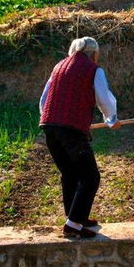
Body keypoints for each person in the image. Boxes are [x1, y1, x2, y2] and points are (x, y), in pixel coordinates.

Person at [39, 37, 121, 238]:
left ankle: (74, 218)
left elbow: (44, 99)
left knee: (70, 174)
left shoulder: (58, 67)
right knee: (90, 176)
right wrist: (112, 118)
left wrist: (51, 119)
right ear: (94, 53)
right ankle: (73, 224)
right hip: (71, 130)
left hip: (49, 127)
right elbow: (103, 97)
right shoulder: (93, 69)